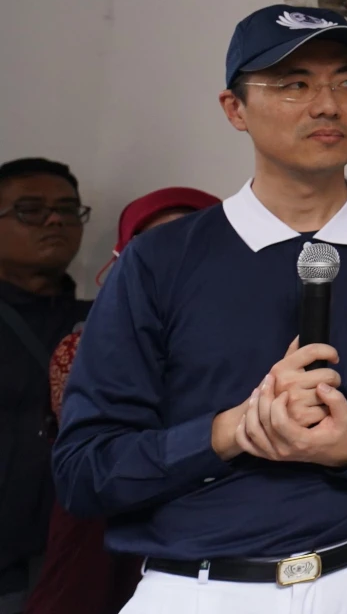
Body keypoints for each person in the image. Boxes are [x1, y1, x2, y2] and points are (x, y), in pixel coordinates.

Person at [54, 5, 347, 613]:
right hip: (197, 592)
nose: (328, 105)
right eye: (294, 84)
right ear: (234, 109)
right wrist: (232, 431)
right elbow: (85, 470)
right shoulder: (159, 261)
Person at [26, 187, 220, 614]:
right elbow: (98, 459)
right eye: (156, 246)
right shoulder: (83, 350)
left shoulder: (275, 341)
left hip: (229, 552)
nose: (175, 261)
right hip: (104, 549)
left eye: (194, 242)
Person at [0, 158, 91, 613]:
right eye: (30, 210)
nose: (55, 220)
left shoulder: (106, 320)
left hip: (71, 566)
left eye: (67, 209)